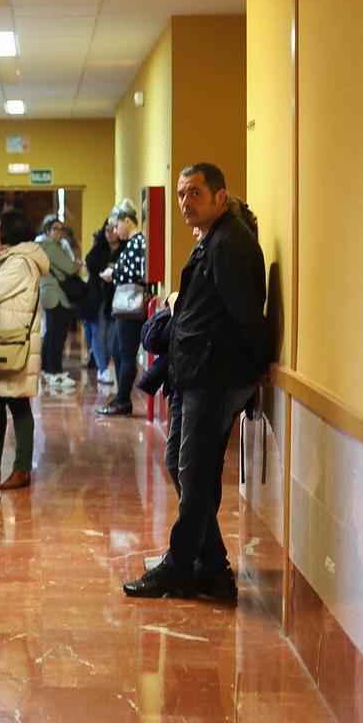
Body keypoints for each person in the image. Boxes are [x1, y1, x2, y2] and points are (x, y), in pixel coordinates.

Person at [123, 163, 272, 601]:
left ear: (219, 197)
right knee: (182, 465)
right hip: (195, 376)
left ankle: (179, 565)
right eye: (182, 194)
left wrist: (257, 365)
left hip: (215, 377)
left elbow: (247, 313)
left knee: (193, 470)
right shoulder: (212, 241)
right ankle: (211, 565)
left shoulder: (229, 244)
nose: (186, 202)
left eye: (195, 194)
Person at [0, 209, 49, 489]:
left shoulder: (20, 262)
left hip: (12, 342)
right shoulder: (11, 259)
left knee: (19, 405)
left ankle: (22, 468)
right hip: (1, 338)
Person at [97, 199, 147, 416]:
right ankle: (121, 397)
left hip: (131, 305)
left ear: (128, 221)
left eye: (117, 226)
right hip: (125, 306)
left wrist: (113, 274)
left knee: (125, 353)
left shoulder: (137, 242)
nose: (116, 231)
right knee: (117, 350)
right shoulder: (132, 243)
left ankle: (123, 399)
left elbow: (136, 273)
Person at [36, 215, 80, 387]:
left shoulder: (45, 245)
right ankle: (55, 372)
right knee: (57, 336)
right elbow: (70, 267)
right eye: (55, 228)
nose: (59, 232)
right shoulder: (50, 246)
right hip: (57, 296)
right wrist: (75, 264)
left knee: (51, 335)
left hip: (51, 294)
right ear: (47, 231)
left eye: (61, 228)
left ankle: (48, 370)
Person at [82, 218, 119, 385]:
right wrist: (109, 264)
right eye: (107, 230)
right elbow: (90, 263)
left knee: (111, 337)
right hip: (97, 298)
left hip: (117, 299)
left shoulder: (125, 248)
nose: (110, 234)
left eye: (113, 229)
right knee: (99, 334)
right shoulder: (99, 248)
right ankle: (103, 369)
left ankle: (102, 365)